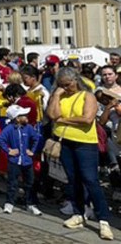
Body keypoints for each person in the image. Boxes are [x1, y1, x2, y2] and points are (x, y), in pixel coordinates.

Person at [48, 67, 113, 240]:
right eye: (61, 85)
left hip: (85, 143)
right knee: (72, 178)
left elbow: (87, 119)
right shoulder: (60, 95)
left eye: (67, 84)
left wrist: (63, 120)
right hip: (65, 142)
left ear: (76, 80)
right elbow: (52, 114)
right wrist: (55, 95)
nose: (65, 88)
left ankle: (103, 219)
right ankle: (78, 212)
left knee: (90, 179)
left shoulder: (87, 96)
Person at [0, 105, 42, 216]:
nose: (26, 117)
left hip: (27, 161)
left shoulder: (29, 128)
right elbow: (0, 139)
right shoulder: (9, 128)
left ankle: (30, 203)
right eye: (23, 115)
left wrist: (32, 151)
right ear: (17, 118)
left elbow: (37, 138)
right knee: (12, 183)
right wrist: (8, 150)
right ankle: (9, 203)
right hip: (14, 161)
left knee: (30, 183)